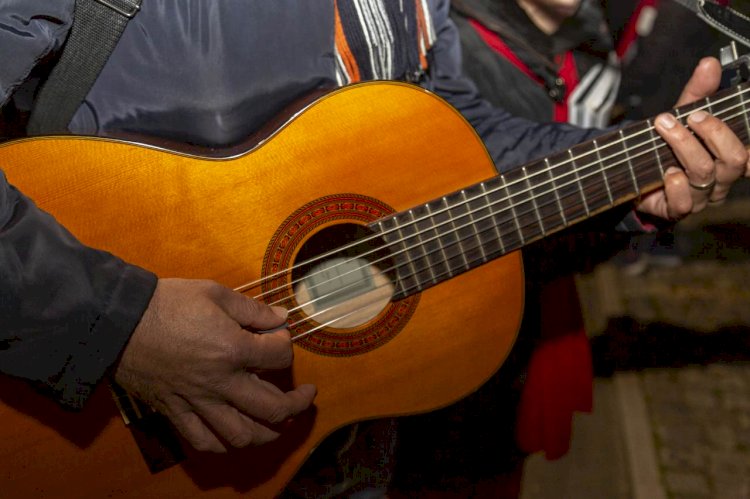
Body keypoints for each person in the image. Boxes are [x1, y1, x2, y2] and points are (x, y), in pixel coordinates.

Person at [1, 0, 748, 496]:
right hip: (88, 425)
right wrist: (116, 325)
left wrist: (630, 171)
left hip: (338, 439)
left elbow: (447, 132)